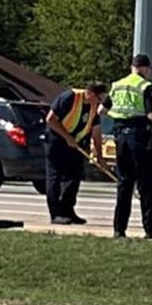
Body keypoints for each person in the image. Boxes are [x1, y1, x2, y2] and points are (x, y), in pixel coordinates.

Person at [107, 54, 152, 239]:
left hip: (120, 138)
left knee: (124, 184)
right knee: (146, 185)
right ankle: (150, 230)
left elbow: (103, 109)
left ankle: (119, 229)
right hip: (140, 138)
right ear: (145, 68)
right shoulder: (145, 87)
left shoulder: (117, 85)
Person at [44, 81, 109, 225]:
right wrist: (67, 138)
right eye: (99, 99)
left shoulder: (94, 107)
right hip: (57, 141)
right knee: (55, 177)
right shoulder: (69, 97)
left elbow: (96, 131)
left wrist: (99, 156)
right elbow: (50, 119)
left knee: (74, 177)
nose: (99, 103)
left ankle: (68, 210)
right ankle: (55, 214)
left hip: (77, 144)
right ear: (90, 93)